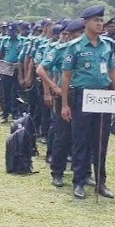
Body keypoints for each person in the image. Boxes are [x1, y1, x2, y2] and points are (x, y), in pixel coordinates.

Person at [60, 5, 115, 200]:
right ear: (86, 23)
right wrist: (65, 104)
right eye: (96, 21)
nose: (100, 24)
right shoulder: (74, 46)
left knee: (101, 141)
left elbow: (112, 71)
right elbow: (66, 76)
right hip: (83, 96)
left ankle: (100, 182)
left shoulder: (108, 45)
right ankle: (79, 181)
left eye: (101, 20)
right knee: (81, 141)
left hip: (103, 96)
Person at [38, 19, 84, 188]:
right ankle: (57, 171)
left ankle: (83, 172)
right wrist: (52, 88)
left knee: (82, 137)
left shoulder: (87, 49)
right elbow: (41, 69)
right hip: (65, 95)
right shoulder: (59, 50)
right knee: (62, 135)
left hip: (83, 95)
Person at [0, 23, 23, 123]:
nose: (11, 33)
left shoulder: (22, 41)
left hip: (17, 69)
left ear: (17, 31)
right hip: (5, 68)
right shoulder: (5, 40)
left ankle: (15, 112)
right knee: (5, 91)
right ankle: (5, 113)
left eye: (12, 31)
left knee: (15, 91)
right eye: (9, 32)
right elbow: (0, 54)